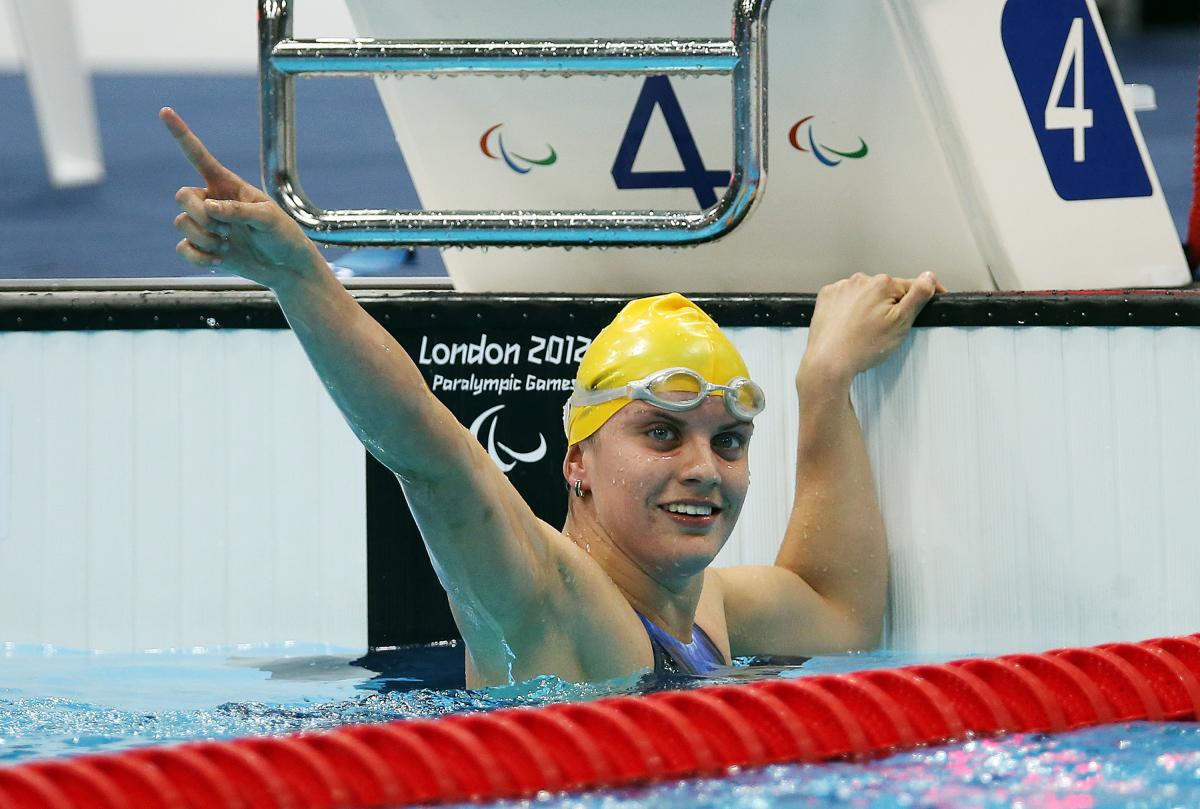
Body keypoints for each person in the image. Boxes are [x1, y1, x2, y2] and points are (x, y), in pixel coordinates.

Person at [161, 106, 941, 687]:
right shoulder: (546, 597)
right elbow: (429, 456)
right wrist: (302, 279)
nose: (705, 467)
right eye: (663, 435)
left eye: (728, 440)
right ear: (579, 463)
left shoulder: (709, 608)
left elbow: (838, 609)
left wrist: (826, 382)